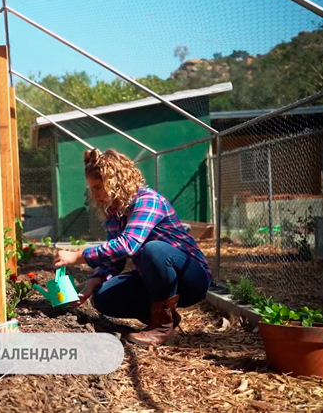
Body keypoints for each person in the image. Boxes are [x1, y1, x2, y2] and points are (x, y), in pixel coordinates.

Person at [54, 148, 212, 346]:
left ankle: (162, 327)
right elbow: (115, 260)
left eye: (98, 187)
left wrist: (79, 255)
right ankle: (166, 317)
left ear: (117, 182)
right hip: (156, 280)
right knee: (104, 296)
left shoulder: (148, 201)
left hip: (191, 278)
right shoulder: (114, 213)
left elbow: (128, 245)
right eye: (92, 189)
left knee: (154, 249)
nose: (95, 194)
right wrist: (94, 280)